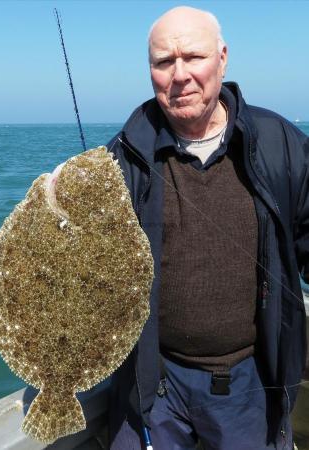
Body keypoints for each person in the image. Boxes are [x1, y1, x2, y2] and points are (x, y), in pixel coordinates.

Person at [107, 6, 309, 450]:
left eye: (193, 57)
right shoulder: (121, 157)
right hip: (151, 379)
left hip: (247, 381)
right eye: (163, 62)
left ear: (222, 58)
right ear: (151, 71)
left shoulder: (280, 144)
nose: (179, 75)